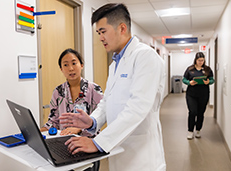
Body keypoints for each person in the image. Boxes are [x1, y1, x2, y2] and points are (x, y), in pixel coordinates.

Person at [59, 3, 166, 171]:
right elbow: (106, 102)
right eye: (98, 33)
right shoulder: (116, 63)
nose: (100, 38)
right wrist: (93, 120)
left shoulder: (146, 57)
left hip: (142, 157)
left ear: (122, 28)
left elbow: (137, 108)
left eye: (103, 32)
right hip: (119, 151)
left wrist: (97, 142)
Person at [40, 48, 103, 171]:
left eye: (74, 63)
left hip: (88, 146)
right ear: (61, 69)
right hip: (63, 147)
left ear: (81, 65)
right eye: (66, 65)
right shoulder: (58, 92)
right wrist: (38, 132)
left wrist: (79, 128)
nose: (71, 68)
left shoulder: (94, 89)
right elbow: (53, 121)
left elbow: (100, 118)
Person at [182, 52, 214, 140]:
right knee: (192, 112)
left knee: (201, 113)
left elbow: (212, 79)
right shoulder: (190, 69)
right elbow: (184, 79)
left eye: (202, 60)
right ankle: (190, 131)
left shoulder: (207, 69)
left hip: (203, 94)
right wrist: (189, 82)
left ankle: (198, 129)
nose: (201, 62)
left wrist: (209, 82)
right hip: (191, 94)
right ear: (195, 60)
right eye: (199, 60)